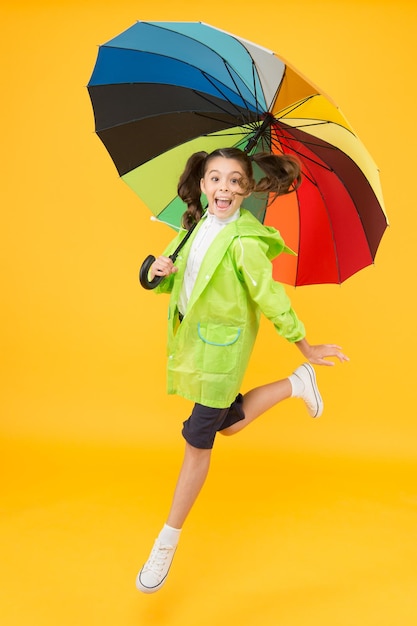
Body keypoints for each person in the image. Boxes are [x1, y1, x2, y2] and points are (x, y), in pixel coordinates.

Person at [136, 147, 348, 594]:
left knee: (198, 442)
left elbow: (272, 300)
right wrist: (157, 271)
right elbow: (177, 281)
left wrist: (305, 344)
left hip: (220, 357)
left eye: (236, 180)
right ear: (202, 185)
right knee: (226, 426)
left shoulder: (246, 243)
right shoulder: (193, 227)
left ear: (248, 191)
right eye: (216, 178)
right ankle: (295, 385)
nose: (225, 188)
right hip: (195, 349)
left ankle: (166, 542)